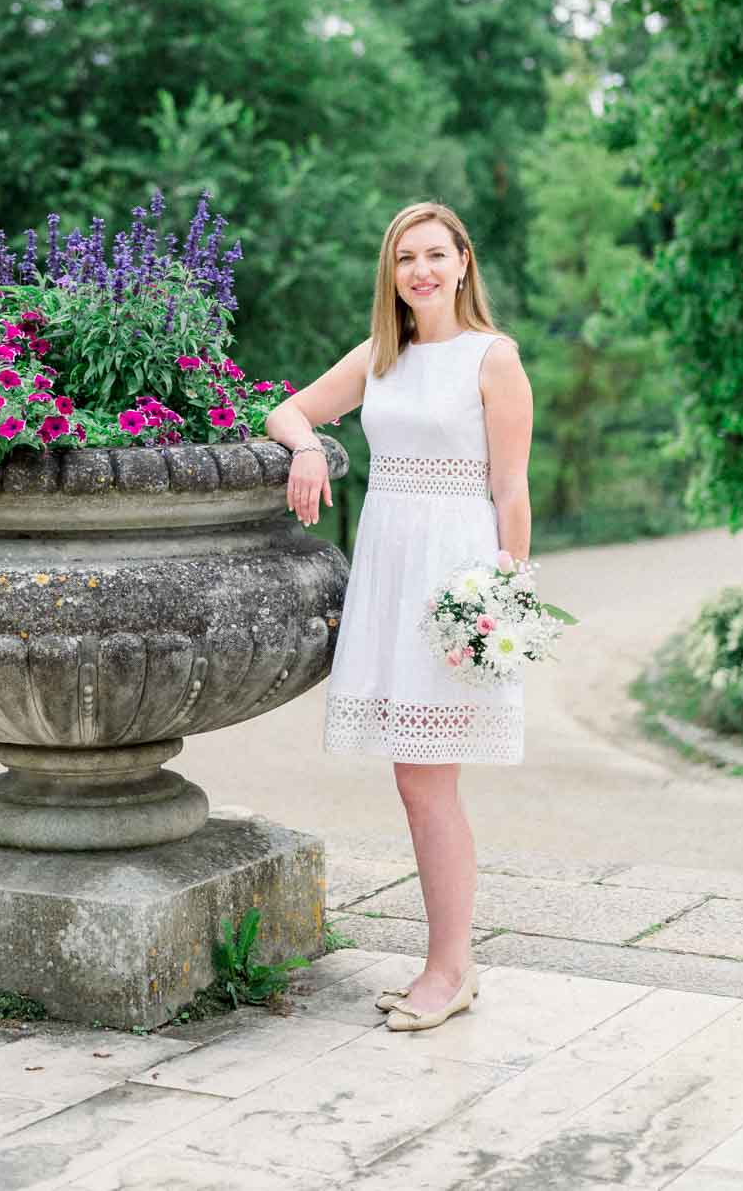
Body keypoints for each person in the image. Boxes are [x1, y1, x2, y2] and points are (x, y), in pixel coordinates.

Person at [264, 199, 533, 1034]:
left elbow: (511, 488)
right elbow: (286, 409)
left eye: (433, 255)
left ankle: (450, 968)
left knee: (426, 778)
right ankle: (451, 964)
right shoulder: (381, 357)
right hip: (390, 570)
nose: (419, 270)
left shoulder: (493, 359)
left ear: (462, 262)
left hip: (454, 581)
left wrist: (504, 601)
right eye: (404, 258)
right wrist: (307, 447)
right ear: (394, 274)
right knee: (414, 777)